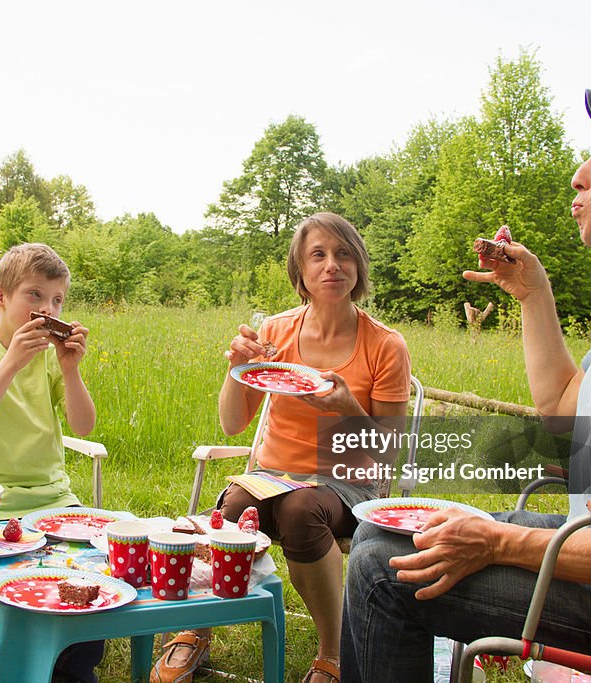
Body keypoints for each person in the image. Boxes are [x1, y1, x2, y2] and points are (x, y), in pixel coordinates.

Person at [341, 89, 591, 682]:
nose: (578, 176)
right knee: (383, 525)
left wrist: (497, 542)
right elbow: (561, 408)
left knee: (380, 572)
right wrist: (533, 295)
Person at [152, 213, 412, 683]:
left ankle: (334, 653)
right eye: (318, 255)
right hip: (272, 474)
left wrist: (348, 407)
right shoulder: (276, 333)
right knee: (235, 502)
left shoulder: (385, 345)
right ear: (300, 272)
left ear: (358, 267)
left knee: (299, 510)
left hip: (347, 482)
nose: (332, 265)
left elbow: (388, 452)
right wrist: (235, 368)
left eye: (344, 253)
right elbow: (233, 424)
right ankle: (196, 628)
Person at [0, 241, 101, 683]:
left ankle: (71, 665)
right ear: (0, 297)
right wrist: (11, 361)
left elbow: (83, 426)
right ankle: (20, 660)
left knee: (90, 582)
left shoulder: (51, 360)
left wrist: (70, 369)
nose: (46, 309)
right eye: (34, 295)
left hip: (53, 498)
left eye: (56, 300)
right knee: (15, 591)